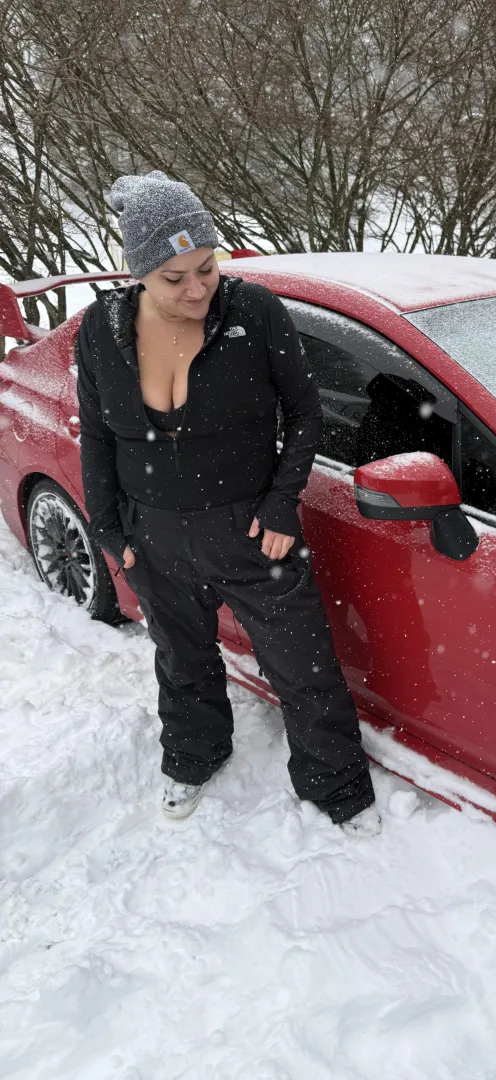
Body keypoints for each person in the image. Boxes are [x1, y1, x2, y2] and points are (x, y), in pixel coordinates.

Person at [75, 170, 380, 836]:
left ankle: (337, 786)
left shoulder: (255, 313)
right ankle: (193, 754)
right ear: (139, 276)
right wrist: (109, 529)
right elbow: (97, 433)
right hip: (152, 532)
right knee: (181, 660)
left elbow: (304, 412)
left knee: (303, 665)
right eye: (174, 277)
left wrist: (278, 507)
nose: (196, 289)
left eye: (206, 268)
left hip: (248, 527)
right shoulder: (101, 329)